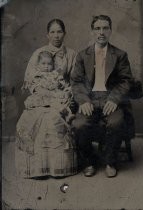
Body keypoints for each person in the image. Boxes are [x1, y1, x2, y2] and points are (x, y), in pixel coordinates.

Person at [71, 15, 134, 178]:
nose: (101, 32)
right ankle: (89, 161)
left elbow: (126, 81)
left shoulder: (120, 55)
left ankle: (110, 162)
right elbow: (76, 82)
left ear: (110, 31)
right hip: (89, 98)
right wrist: (84, 101)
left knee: (116, 122)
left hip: (110, 98)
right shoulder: (82, 55)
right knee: (79, 125)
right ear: (92, 31)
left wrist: (114, 99)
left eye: (105, 28)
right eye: (97, 28)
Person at [15, 19, 77, 179]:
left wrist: (67, 93)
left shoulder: (71, 54)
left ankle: (58, 167)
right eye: (53, 32)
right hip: (41, 96)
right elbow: (30, 79)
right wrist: (42, 92)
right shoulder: (38, 53)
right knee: (36, 117)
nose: (56, 36)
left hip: (62, 96)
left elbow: (76, 80)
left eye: (60, 32)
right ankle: (39, 169)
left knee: (53, 117)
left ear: (65, 33)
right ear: (47, 34)